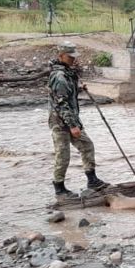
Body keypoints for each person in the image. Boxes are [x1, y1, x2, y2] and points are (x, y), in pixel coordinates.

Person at [47, 41, 108, 199]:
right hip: (61, 122)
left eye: (74, 56)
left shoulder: (67, 72)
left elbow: (66, 94)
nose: (73, 59)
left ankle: (92, 180)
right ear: (61, 56)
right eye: (69, 57)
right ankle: (59, 188)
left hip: (71, 118)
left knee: (87, 145)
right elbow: (61, 104)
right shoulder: (59, 76)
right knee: (63, 155)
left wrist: (79, 89)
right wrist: (72, 126)